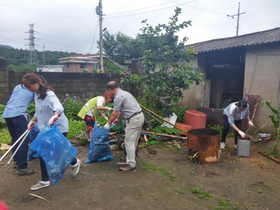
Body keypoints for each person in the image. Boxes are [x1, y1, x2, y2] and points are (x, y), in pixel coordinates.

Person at [21, 73, 81, 190]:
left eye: (29, 87)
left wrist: (55, 115)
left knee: (49, 152)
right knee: (55, 151)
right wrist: (33, 121)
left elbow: (58, 106)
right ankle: (74, 162)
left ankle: (45, 180)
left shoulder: (49, 94)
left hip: (57, 127)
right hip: (46, 128)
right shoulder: (37, 95)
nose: (29, 89)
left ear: (36, 83)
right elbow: (40, 111)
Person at [104, 81, 144, 172]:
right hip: (139, 116)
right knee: (133, 141)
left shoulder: (118, 97)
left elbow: (114, 113)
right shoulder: (125, 93)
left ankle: (131, 165)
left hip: (134, 119)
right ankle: (129, 159)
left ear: (110, 90)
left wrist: (108, 124)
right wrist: (117, 119)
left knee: (128, 142)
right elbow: (121, 111)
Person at [2, 84, 36, 175]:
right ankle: (22, 167)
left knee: (16, 138)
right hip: (18, 114)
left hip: (8, 114)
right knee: (23, 140)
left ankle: (17, 162)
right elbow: (39, 104)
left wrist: (24, 113)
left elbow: (17, 100)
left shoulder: (17, 86)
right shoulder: (33, 88)